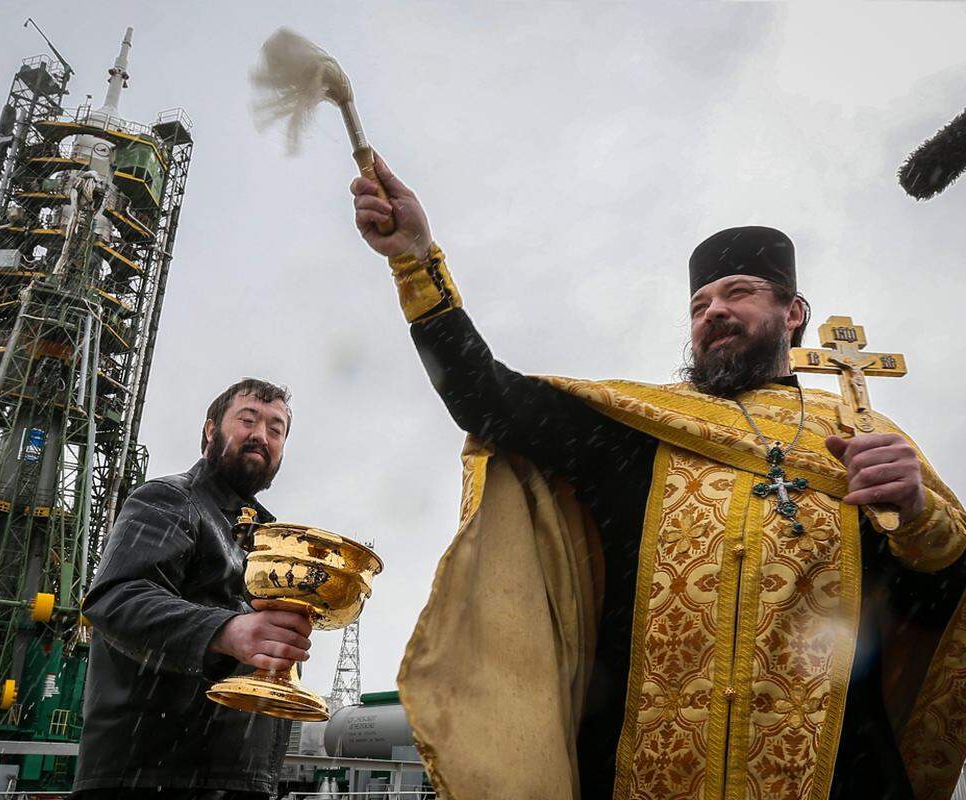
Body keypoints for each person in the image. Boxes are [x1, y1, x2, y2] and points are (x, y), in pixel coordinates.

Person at [350, 158, 966, 800]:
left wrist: (920, 514)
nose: (713, 312)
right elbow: (488, 398)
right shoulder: (640, 431)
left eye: (739, 292)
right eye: (700, 303)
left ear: (793, 313)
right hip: (637, 771)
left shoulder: (862, 438)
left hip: (834, 774)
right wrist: (416, 262)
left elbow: (936, 609)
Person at [72, 378, 311, 800]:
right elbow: (116, 599)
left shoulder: (269, 539)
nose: (261, 435)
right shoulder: (168, 499)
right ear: (210, 430)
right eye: (247, 420)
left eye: (276, 429)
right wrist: (227, 631)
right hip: (152, 778)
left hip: (236, 779)